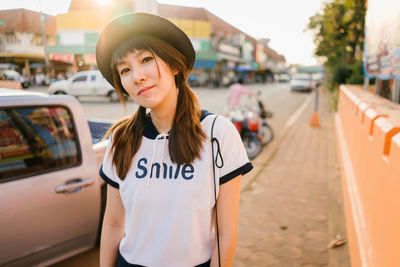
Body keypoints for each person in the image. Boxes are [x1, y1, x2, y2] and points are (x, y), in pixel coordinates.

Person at [96, 12, 253, 267]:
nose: (137, 76)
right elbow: (113, 223)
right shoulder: (121, 139)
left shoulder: (217, 134)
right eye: (125, 70)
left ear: (175, 64)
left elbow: (226, 232)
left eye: (146, 59)